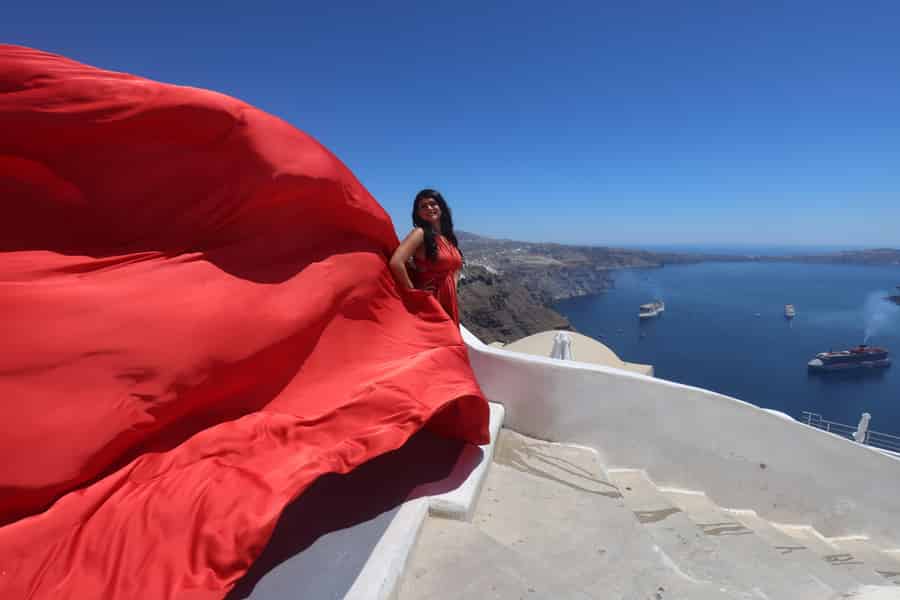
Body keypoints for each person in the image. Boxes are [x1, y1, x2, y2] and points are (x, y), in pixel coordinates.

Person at [390, 189, 464, 324]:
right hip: (431, 301)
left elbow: (456, 268)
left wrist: (451, 287)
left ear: (441, 207)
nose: (429, 208)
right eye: (423, 206)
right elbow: (396, 262)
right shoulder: (420, 233)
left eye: (433, 203)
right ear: (418, 213)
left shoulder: (448, 238)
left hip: (448, 300)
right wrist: (415, 293)